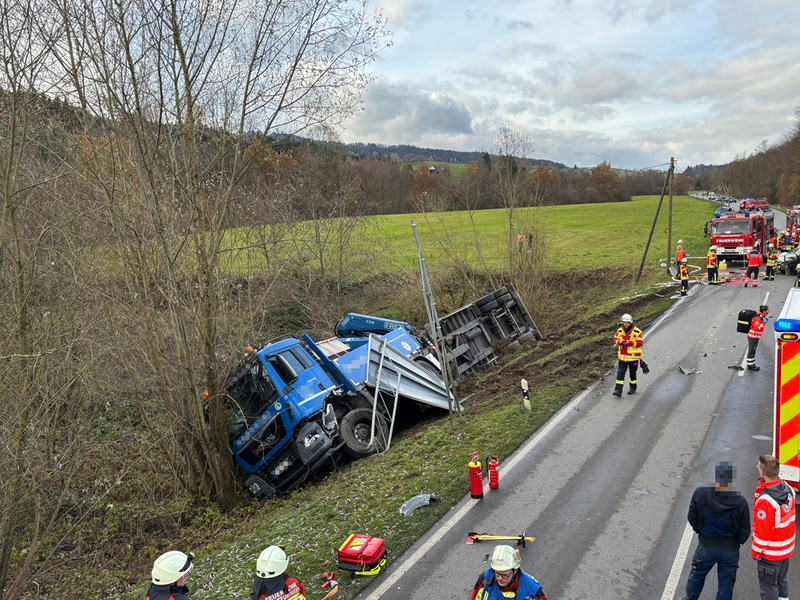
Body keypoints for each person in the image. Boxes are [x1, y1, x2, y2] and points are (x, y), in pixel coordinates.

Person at [682, 462, 750, 600]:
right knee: (726, 584)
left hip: (706, 545)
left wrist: (700, 531)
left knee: (697, 575)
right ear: (731, 480)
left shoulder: (700, 493)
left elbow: (691, 517)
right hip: (730, 549)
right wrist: (736, 543)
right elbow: (745, 530)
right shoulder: (740, 502)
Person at [752, 454, 796, 600]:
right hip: (785, 550)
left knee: (768, 587)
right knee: (781, 581)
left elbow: (763, 533)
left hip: (772, 554)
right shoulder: (788, 489)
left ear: (762, 472)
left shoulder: (766, 500)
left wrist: (756, 552)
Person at [470, 544, 547, 600]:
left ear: (515, 570)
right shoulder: (485, 579)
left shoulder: (531, 588)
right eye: (497, 573)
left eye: (505, 575)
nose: (500, 578)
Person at [612, 313, 643, 397]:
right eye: (624, 322)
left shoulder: (637, 332)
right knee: (620, 373)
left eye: (627, 322)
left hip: (633, 358)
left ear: (630, 323)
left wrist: (630, 343)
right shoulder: (619, 331)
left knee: (633, 374)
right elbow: (615, 339)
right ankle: (618, 390)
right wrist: (620, 342)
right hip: (622, 357)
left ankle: (633, 388)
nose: (625, 324)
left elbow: (640, 343)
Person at [746, 305, 769, 371]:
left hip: (755, 337)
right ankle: (750, 365)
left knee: (753, 350)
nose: (768, 311)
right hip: (753, 337)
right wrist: (764, 323)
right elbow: (756, 328)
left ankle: (751, 364)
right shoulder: (758, 319)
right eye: (767, 310)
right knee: (752, 350)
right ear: (764, 311)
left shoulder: (761, 317)